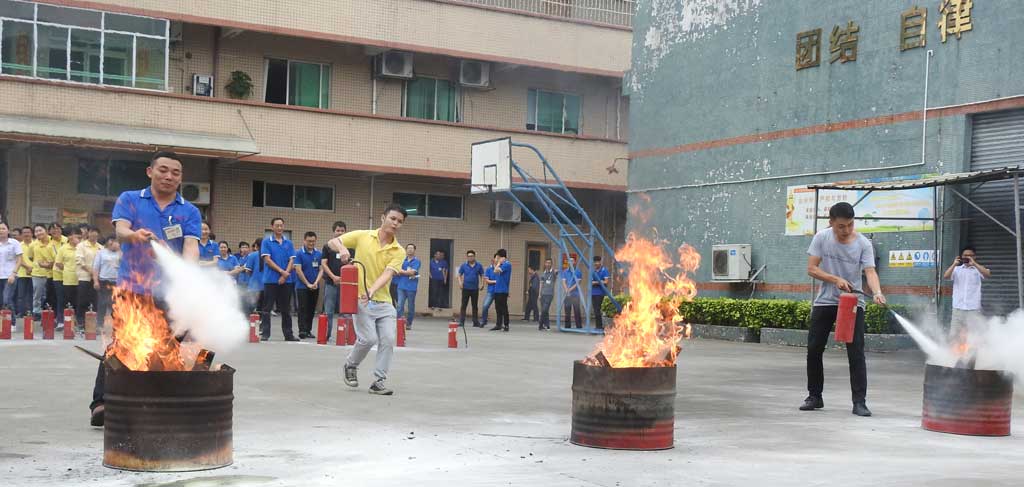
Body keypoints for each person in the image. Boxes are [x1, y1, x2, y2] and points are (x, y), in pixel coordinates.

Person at [89, 150, 203, 427]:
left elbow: (191, 247)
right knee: (121, 343)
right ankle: (101, 402)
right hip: (132, 287)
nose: (169, 176)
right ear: (150, 172)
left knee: (177, 344)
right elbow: (121, 231)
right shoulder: (130, 199)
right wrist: (135, 236)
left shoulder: (189, 210)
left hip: (170, 292)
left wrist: (184, 271)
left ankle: (172, 402)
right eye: (163, 170)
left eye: (175, 173)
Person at [801, 202, 885, 418]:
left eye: (849, 225)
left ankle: (859, 402)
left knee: (855, 352)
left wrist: (877, 292)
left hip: (852, 302)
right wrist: (835, 278)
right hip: (825, 301)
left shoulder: (863, 244)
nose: (845, 230)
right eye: (841, 226)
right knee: (814, 348)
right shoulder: (821, 237)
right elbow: (812, 268)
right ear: (831, 223)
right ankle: (814, 396)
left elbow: (870, 272)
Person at [330, 204, 407, 395]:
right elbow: (333, 242)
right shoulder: (363, 236)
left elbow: (388, 274)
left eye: (399, 221)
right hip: (361, 300)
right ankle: (350, 365)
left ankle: (378, 381)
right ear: (383, 218)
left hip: (384, 301)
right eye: (393, 218)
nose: (395, 223)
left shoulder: (399, 251)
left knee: (388, 339)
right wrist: (342, 248)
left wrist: (372, 290)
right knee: (368, 339)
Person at [943, 245, 991, 342]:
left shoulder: (978, 270)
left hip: (973, 309)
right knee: (954, 336)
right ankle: (955, 356)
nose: (967, 257)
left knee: (973, 336)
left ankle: (972, 356)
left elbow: (987, 274)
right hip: (958, 309)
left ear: (974, 257)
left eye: (970, 255)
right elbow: (946, 276)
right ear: (961, 256)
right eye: (965, 255)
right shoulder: (956, 269)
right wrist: (953, 264)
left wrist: (974, 264)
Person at [260, 218, 297, 341]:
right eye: (277, 225)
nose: (280, 228)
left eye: (281, 225)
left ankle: (289, 334)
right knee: (267, 308)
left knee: (286, 309)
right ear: (272, 227)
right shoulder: (266, 242)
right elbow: (267, 260)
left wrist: (286, 274)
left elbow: (292, 260)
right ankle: (265, 333)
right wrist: (282, 272)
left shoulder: (289, 243)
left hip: (287, 280)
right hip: (271, 280)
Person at [320, 221, 347, 341]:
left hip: (345, 285)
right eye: (338, 230)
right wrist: (333, 277)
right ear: (333, 232)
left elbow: (353, 263)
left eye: (342, 230)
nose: (340, 233)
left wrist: (344, 278)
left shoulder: (349, 247)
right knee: (329, 311)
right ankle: (327, 335)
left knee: (345, 312)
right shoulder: (327, 246)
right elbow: (324, 264)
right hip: (331, 283)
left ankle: (344, 336)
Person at [294, 231, 323, 340]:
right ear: (304, 241)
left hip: (315, 286)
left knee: (311, 309)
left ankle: (308, 330)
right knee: (302, 308)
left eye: (313, 241)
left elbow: (321, 270)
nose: (311, 243)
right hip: (302, 286)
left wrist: (316, 283)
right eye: (309, 241)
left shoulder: (319, 254)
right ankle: (302, 330)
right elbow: (298, 270)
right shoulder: (299, 253)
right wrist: (307, 283)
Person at [26, 224, 57, 319]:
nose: (38, 233)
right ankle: (36, 312)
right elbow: (30, 257)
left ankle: (49, 312)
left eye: (40, 230)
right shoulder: (33, 244)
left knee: (49, 294)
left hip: (52, 273)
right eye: (36, 231)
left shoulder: (53, 242)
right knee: (37, 294)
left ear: (46, 231)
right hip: (38, 273)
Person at [75, 226, 101, 328]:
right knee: (82, 300)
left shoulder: (101, 247)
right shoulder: (81, 246)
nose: (94, 234)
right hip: (84, 277)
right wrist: (91, 271)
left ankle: (92, 323)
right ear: (88, 233)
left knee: (94, 300)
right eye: (92, 232)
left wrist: (95, 274)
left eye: (96, 232)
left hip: (96, 279)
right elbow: (79, 260)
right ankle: (80, 321)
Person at [92, 237, 120, 331]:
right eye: (112, 241)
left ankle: (116, 325)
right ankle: (99, 324)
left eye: (116, 242)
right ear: (108, 242)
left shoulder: (121, 253)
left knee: (115, 304)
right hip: (104, 280)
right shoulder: (101, 253)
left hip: (117, 282)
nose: (114, 243)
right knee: (102, 303)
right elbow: (96, 267)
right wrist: (95, 281)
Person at [54, 226, 81, 324]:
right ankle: (64, 321)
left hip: (80, 279)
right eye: (75, 236)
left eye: (79, 236)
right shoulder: (63, 248)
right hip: (67, 279)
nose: (78, 238)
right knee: (66, 301)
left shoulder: (81, 247)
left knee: (78, 302)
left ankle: (77, 322)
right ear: (69, 237)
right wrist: (68, 270)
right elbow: (58, 263)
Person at [394, 243, 420, 330]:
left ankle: (409, 323)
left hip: (411, 287)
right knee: (400, 305)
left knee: (410, 306)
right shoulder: (402, 260)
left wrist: (402, 271)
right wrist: (407, 272)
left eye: (412, 248)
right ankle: (399, 322)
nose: (410, 250)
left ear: (414, 250)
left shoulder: (416, 261)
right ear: (406, 250)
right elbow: (396, 271)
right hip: (401, 286)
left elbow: (412, 272)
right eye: (408, 248)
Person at [457, 250, 484, 327]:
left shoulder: (479, 265)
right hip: (465, 288)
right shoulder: (464, 265)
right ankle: (462, 321)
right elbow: (459, 275)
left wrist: (482, 284)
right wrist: (460, 283)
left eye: (471, 256)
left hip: (475, 288)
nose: (470, 257)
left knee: (474, 305)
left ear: (474, 256)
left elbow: (482, 275)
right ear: (467, 257)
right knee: (463, 305)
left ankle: (475, 321)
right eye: (468, 256)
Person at [0, 222, 23, 310]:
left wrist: (13, 274)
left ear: (8, 230)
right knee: (1, 301)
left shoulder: (14, 243)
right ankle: (4, 322)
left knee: (7, 299)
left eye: (3, 228)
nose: (1, 231)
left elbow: (19, 259)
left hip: (10, 276)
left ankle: (12, 323)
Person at [489, 249, 512, 332]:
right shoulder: (501, 264)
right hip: (497, 289)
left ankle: (506, 325)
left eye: (498, 257)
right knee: (497, 308)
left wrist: (498, 263)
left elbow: (495, 270)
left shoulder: (507, 264)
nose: (496, 259)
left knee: (504, 308)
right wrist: (498, 263)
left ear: (501, 257)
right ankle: (498, 324)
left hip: (503, 290)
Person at [15, 226, 34, 317]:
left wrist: (32, 268)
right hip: (22, 273)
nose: (26, 234)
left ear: (32, 233)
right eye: (24, 232)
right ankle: (21, 312)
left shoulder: (36, 244)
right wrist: (27, 267)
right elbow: (18, 258)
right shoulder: (18, 245)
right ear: (22, 235)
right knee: (21, 295)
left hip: (35, 273)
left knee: (32, 295)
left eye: (28, 232)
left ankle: (30, 312)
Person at [243, 238, 264, 314]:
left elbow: (248, 270)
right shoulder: (269, 256)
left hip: (254, 286)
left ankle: (252, 324)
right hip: (266, 286)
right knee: (263, 309)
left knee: (251, 309)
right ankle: (262, 324)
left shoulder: (252, 255)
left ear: (256, 246)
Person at [562, 255, 583, 329]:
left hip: (575, 294)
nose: (570, 262)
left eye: (572, 261)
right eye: (569, 261)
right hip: (567, 295)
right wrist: (566, 290)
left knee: (577, 311)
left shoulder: (578, 272)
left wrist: (569, 290)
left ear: (575, 262)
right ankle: (567, 327)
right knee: (567, 311)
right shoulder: (565, 272)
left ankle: (579, 326)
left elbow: (578, 283)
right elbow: (564, 282)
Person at [590, 255, 611, 329]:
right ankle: (598, 326)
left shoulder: (604, 270)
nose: (596, 263)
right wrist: (599, 282)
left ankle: (602, 326)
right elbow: (591, 282)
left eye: (597, 262)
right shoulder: (593, 271)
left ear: (600, 262)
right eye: (595, 262)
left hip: (601, 293)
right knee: (596, 311)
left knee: (601, 311)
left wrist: (596, 282)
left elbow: (606, 281)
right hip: (593, 293)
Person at [539, 258, 557, 330]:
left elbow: (556, 274)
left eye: (549, 263)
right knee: (545, 310)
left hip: (550, 294)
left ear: (551, 264)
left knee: (544, 310)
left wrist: (556, 272)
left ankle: (540, 325)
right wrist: (539, 294)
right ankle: (547, 325)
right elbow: (541, 283)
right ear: (545, 264)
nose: (548, 264)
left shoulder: (553, 272)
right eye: (547, 263)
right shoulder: (543, 273)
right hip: (543, 294)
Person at [479, 255, 497, 328]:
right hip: (491, 291)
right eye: (493, 260)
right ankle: (484, 321)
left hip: (499, 291)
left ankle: (500, 323)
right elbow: (487, 281)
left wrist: (493, 281)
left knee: (499, 308)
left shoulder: (500, 269)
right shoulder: (488, 269)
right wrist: (495, 281)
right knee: (485, 306)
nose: (494, 261)